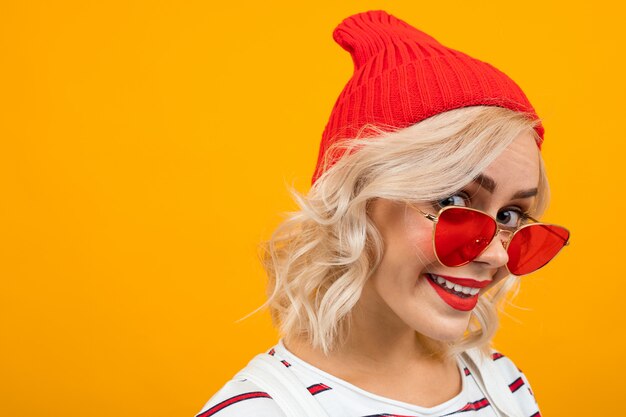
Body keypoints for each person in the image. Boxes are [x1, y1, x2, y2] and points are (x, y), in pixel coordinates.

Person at [196, 10, 569, 417]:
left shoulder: (501, 384)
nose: (496, 256)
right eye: (453, 201)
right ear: (356, 200)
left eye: (511, 215)